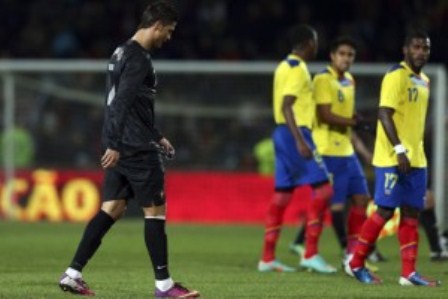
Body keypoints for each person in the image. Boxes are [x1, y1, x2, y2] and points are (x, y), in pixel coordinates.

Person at [58, 1, 199, 297]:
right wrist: (115, 142)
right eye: (169, 31)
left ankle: (72, 273)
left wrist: (156, 135)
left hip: (125, 143)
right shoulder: (139, 59)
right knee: (155, 212)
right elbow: (120, 102)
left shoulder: (120, 52)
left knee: (112, 208)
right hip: (134, 148)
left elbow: (131, 105)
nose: (169, 37)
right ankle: (164, 286)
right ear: (157, 25)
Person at [346, 29, 441, 286]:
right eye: (417, 47)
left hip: (417, 159)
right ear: (405, 50)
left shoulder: (423, 81)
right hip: (392, 156)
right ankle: (356, 263)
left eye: (426, 48)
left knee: (412, 213)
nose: (421, 52)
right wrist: (399, 149)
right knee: (385, 211)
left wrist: (414, 151)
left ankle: (408, 273)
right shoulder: (395, 75)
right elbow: (384, 114)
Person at [288, 36, 375, 269]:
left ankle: (352, 254)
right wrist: (355, 123)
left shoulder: (350, 81)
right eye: (343, 54)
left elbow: (348, 116)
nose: (347, 58)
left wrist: (360, 130)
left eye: (351, 55)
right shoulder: (322, 79)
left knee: (362, 199)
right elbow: (325, 114)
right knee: (327, 202)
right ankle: (309, 251)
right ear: (333, 56)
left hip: (346, 150)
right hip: (326, 150)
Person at [258, 24, 336, 274]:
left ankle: (267, 258)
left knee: (282, 195)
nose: (317, 45)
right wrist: (301, 141)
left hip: (281, 134)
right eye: (315, 40)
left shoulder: (283, 66)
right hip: (296, 133)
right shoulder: (298, 68)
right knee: (324, 190)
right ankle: (310, 253)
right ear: (308, 43)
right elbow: (287, 106)